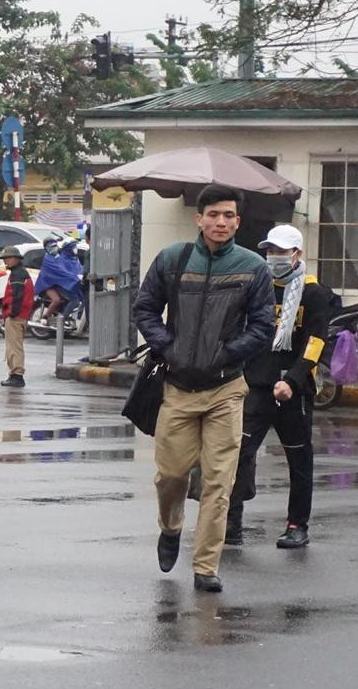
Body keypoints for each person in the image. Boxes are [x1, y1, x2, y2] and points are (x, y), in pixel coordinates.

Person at [133, 184, 274, 593]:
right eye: (214, 215)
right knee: (171, 476)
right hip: (177, 387)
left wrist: (228, 354)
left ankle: (206, 566)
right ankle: (171, 527)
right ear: (200, 218)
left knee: (218, 481)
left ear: (238, 221)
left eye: (229, 215)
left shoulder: (253, 267)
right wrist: (167, 346)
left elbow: (263, 326)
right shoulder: (173, 259)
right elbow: (145, 308)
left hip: (226, 389)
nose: (221, 222)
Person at [227, 224, 335, 550]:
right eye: (270, 251)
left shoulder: (315, 294)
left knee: (299, 461)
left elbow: (315, 342)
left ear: (296, 254)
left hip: (293, 390)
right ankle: (232, 521)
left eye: (281, 251)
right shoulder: (258, 286)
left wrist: (293, 379)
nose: (273, 257)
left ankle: (297, 525)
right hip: (257, 386)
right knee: (238, 454)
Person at [0, 246, 34, 388]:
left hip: (16, 317)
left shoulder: (17, 275)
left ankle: (17, 375)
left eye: (8, 258)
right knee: (14, 346)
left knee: (14, 347)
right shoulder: (20, 273)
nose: (6, 261)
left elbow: (16, 297)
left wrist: (10, 314)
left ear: (16, 259)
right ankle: (14, 374)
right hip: (20, 315)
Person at [36, 237, 84, 322]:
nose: (54, 248)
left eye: (55, 246)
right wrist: (74, 278)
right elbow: (61, 271)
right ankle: (47, 318)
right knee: (57, 300)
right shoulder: (48, 259)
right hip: (47, 284)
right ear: (46, 248)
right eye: (51, 247)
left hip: (57, 283)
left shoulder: (59, 257)